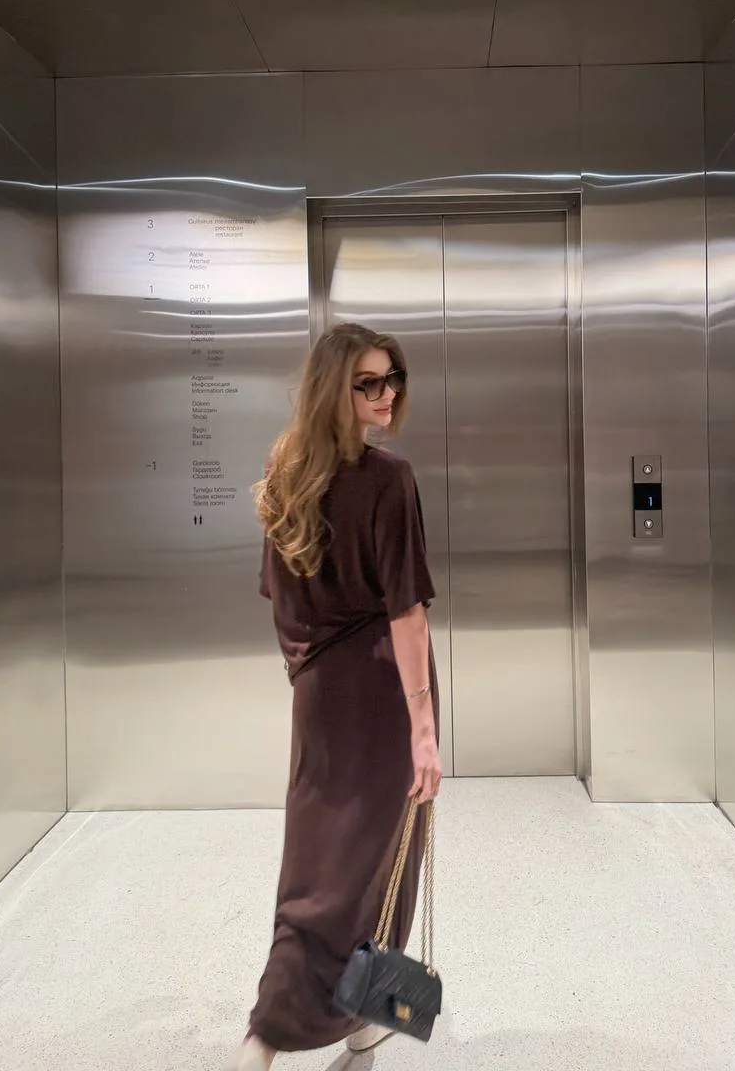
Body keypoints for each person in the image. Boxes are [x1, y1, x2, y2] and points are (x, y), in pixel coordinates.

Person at [235, 322, 443, 1071]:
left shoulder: (285, 469)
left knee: (320, 863)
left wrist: (306, 672)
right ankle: (271, 1029)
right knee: (376, 864)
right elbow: (406, 612)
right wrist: (423, 728)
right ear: (334, 388)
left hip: (320, 692)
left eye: (393, 379)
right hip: (384, 690)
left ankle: (360, 1026)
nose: (387, 395)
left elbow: (278, 597)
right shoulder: (389, 479)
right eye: (368, 383)